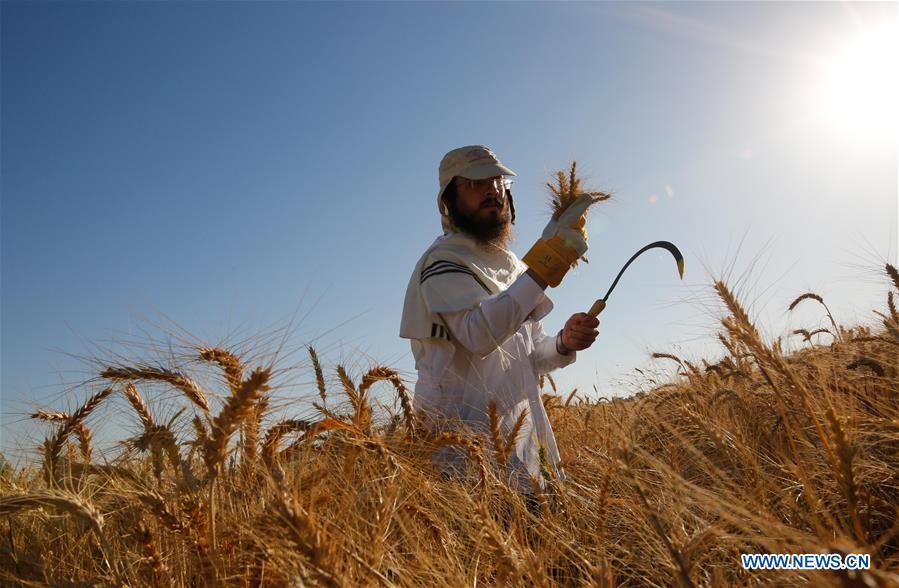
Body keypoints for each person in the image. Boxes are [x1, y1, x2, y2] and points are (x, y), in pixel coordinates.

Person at [399, 145, 600, 494]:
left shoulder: (514, 268)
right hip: (463, 462)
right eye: (475, 183)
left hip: (523, 451)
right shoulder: (442, 262)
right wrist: (547, 262)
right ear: (449, 200)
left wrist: (565, 342)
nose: (492, 189)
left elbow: (534, 355)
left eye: (497, 181)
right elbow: (477, 335)